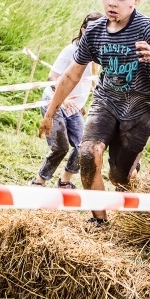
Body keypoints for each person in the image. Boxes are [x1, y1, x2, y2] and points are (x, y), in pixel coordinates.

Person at [38, 0, 150, 227]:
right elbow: (72, 74)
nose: (112, 3)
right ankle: (100, 220)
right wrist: (50, 112)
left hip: (140, 108)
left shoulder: (147, 28)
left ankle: (129, 182)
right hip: (106, 102)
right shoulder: (95, 31)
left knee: (120, 177)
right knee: (88, 154)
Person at [31, 11, 103, 188]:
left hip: (74, 108)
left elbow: (86, 81)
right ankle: (38, 182)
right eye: (92, 30)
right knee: (60, 147)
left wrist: (81, 103)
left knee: (83, 148)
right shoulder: (71, 50)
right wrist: (63, 100)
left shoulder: (97, 56)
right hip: (55, 103)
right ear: (83, 30)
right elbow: (51, 78)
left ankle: (64, 182)